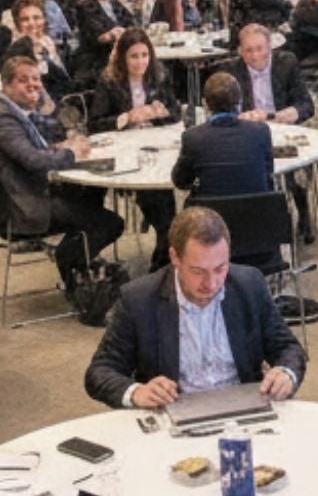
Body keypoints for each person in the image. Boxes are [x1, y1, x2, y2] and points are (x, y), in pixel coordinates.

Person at [84, 206, 304, 409]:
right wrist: (136, 392)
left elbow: (288, 348)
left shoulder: (249, 284)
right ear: (175, 258)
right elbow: (100, 371)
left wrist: (286, 373)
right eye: (198, 271)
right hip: (173, 411)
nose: (211, 283)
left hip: (243, 408)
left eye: (220, 268)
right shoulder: (139, 299)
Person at [0, 56, 122, 288]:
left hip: (26, 192)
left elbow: (31, 151)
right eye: (23, 80)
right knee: (110, 223)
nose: (33, 84)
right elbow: (34, 161)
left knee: (93, 191)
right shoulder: (2, 118)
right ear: (6, 85)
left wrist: (60, 147)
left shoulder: (13, 111)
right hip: (23, 207)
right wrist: (71, 153)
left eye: (36, 79)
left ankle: (79, 259)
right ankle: (69, 261)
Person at [89, 28, 182, 266]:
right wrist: (128, 117)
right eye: (134, 56)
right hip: (124, 150)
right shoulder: (109, 81)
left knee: (164, 194)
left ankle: (163, 252)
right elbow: (95, 124)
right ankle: (163, 256)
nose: (140, 62)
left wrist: (160, 113)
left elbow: (176, 113)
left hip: (155, 145)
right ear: (122, 58)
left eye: (144, 55)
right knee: (159, 204)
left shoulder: (159, 75)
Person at [225, 23, 315, 239]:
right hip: (249, 133)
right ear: (240, 50)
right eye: (248, 50)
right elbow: (224, 111)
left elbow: (306, 104)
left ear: (270, 47)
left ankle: (302, 211)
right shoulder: (231, 70)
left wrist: (292, 113)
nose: (255, 56)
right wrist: (240, 117)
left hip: (283, 129)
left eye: (260, 49)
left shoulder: (287, 63)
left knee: (292, 166)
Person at [171, 72, 276, 200]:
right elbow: (268, 172)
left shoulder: (193, 137)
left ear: (205, 104)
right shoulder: (261, 132)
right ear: (240, 101)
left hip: (210, 210)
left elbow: (180, 181)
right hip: (258, 209)